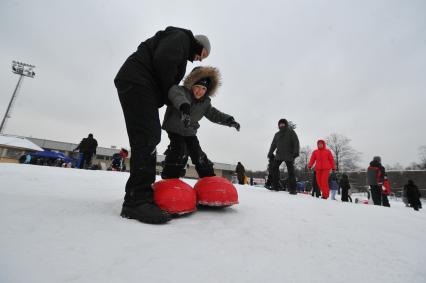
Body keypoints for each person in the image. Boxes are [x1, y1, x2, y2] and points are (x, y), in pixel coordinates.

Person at [114, 27, 211, 224]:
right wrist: (169, 93)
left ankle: (139, 195)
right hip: (138, 82)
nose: (201, 59)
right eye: (203, 54)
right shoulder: (181, 38)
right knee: (147, 135)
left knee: (149, 135)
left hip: (139, 84)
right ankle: (136, 201)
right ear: (198, 45)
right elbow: (164, 61)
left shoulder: (182, 49)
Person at [161, 66, 240, 181]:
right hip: (175, 127)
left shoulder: (205, 103)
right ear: (191, 85)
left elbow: (214, 114)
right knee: (180, 149)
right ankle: (170, 177)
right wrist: (184, 107)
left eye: (203, 88)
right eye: (197, 87)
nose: (199, 91)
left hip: (190, 131)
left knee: (198, 154)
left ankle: (208, 178)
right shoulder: (181, 90)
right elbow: (176, 95)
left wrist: (229, 120)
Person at [267, 119, 300, 194]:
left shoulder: (291, 132)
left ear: (285, 124)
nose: (281, 125)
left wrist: (296, 152)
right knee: (274, 169)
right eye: (280, 124)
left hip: (289, 154)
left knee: (291, 172)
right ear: (278, 125)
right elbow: (273, 145)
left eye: (283, 124)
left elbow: (296, 142)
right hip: (279, 155)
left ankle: (293, 189)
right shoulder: (277, 134)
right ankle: (275, 186)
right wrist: (270, 153)